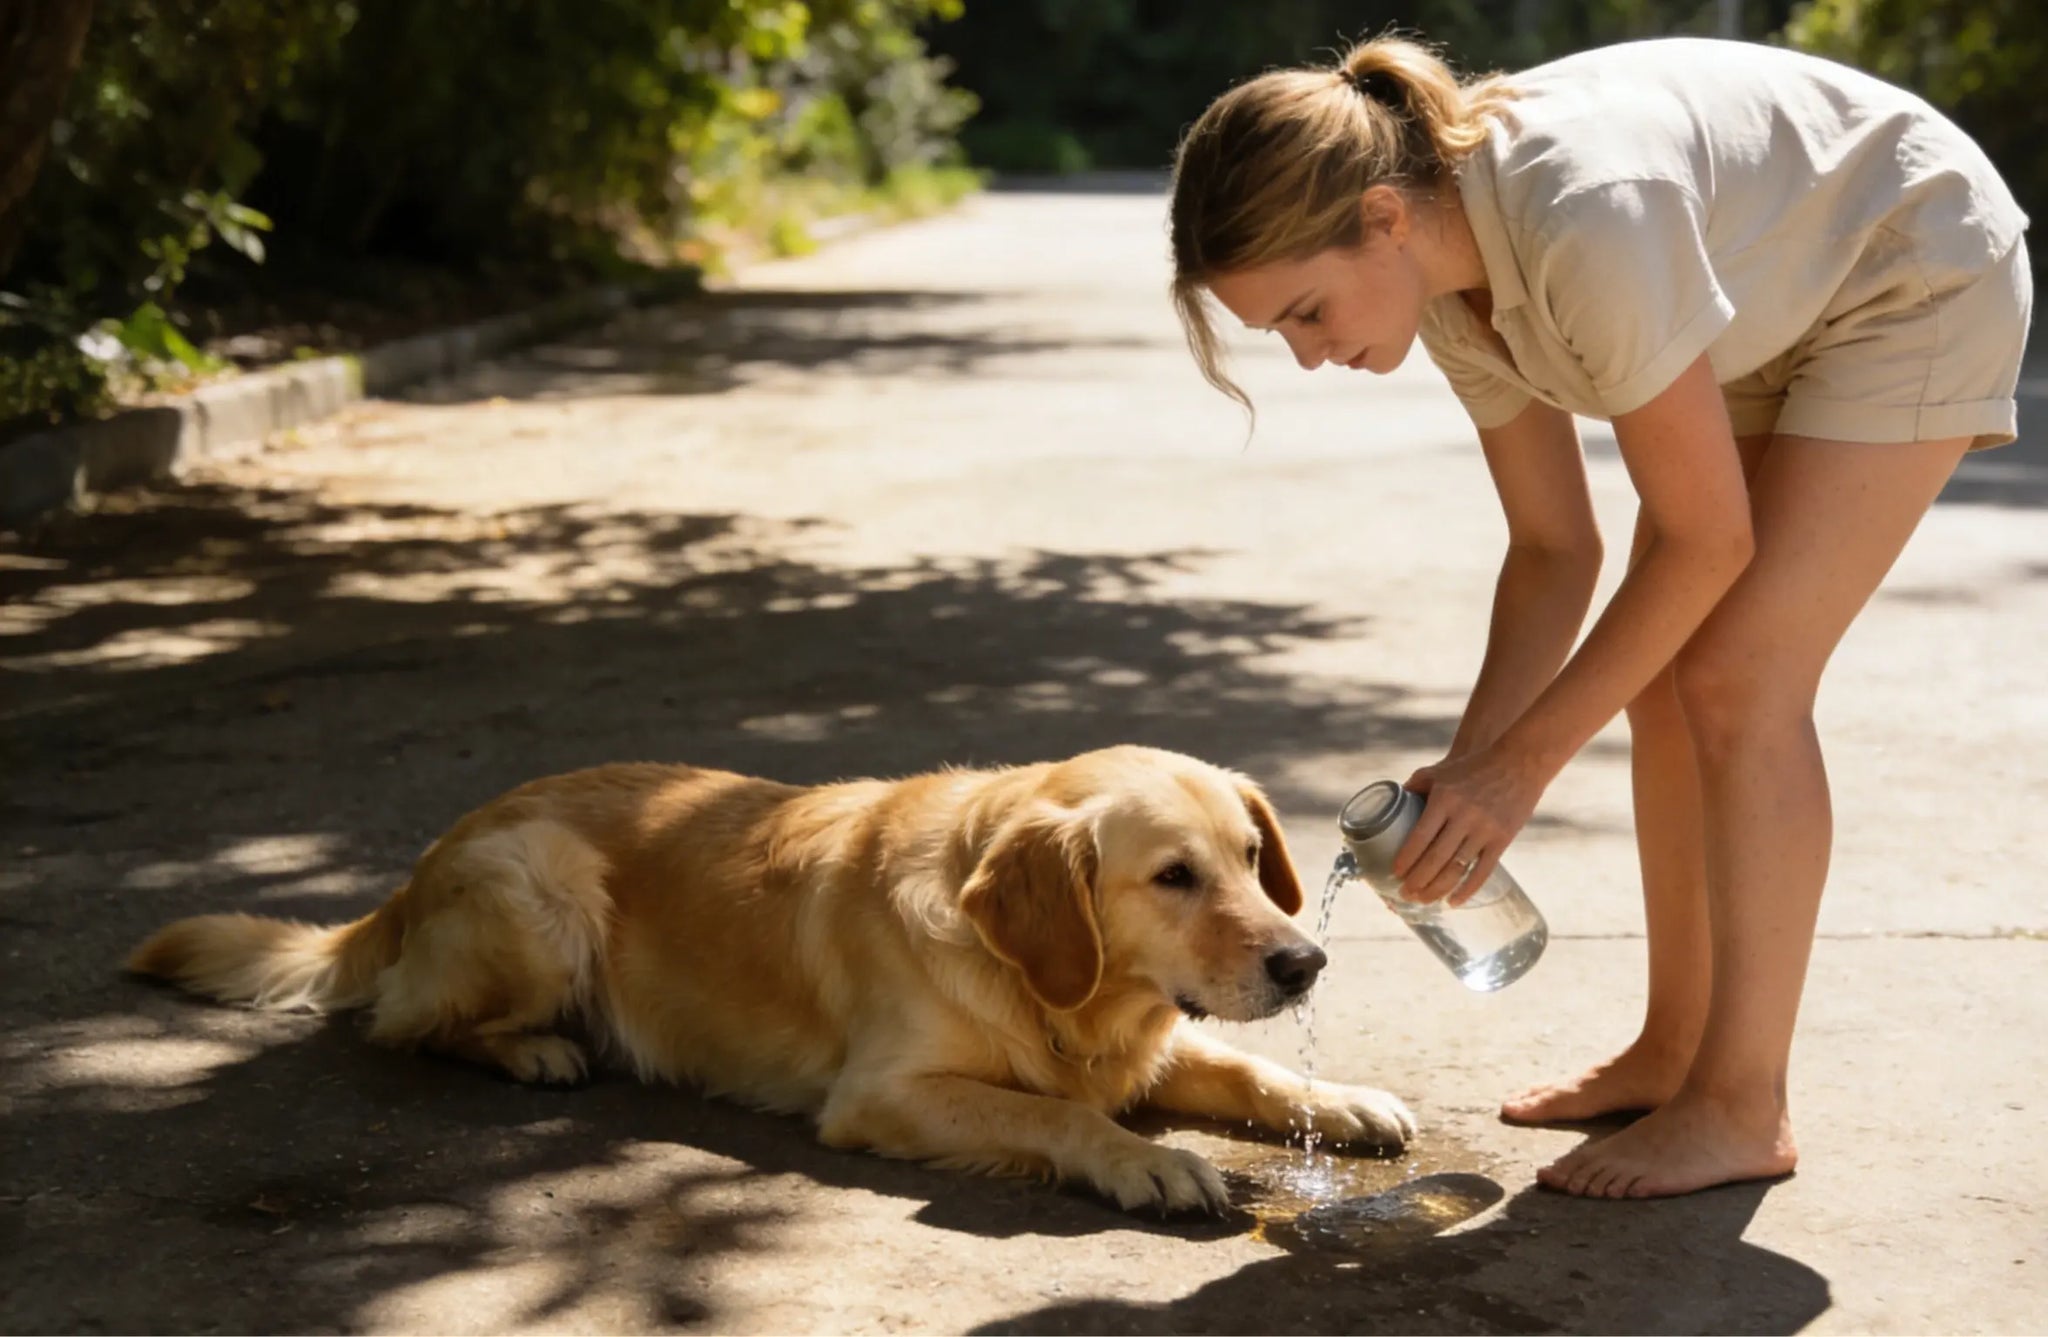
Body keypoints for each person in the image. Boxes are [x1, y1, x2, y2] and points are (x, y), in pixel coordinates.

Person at [1168, 32, 2032, 1199]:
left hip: (1904, 261)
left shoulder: (1583, 218)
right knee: (1667, 672)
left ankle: (1742, 1102)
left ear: (1380, 217)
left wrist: (1519, 770)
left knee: (1733, 673)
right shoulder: (1443, 282)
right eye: (1282, 333)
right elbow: (1550, 547)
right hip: (1780, 288)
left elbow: (1704, 540)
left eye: (1306, 311)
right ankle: (1674, 1046)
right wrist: (1470, 770)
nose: (1310, 355)